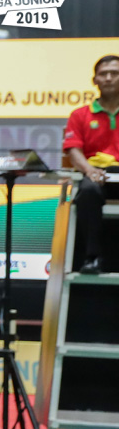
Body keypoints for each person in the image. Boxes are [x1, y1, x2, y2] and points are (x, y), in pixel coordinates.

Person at [64, 54, 119, 274]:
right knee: (87, 192)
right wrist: (89, 170)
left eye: (114, 73)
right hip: (96, 175)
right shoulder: (80, 115)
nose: (109, 78)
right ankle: (92, 258)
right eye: (103, 74)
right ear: (94, 80)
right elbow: (73, 149)